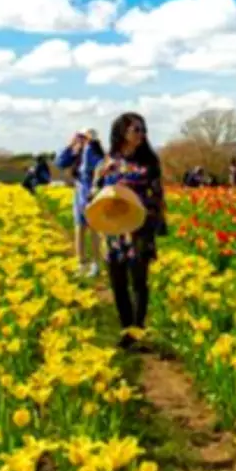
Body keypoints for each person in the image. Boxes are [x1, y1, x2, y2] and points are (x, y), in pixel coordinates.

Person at [93, 112, 167, 349]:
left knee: (138, 280)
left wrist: (151, 217)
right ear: (122, 132)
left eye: (144, 130)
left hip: (139, 227)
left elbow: (157, 195)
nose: (142, 134)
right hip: (113, 228)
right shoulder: (107, 163)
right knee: (117, 280)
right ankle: (126, 329)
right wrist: (99, 183)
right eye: (136, 129)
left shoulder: (149, 163)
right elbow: (93, 194)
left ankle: (138, 328)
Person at [56, 129, 105, 277]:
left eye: (83, 137)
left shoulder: (92, 151)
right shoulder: (80, 151)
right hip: (79, 192)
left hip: (91, 192)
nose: (81, 139)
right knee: (79, 228)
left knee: (93, 228)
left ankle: (95, 264)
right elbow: (59, 163)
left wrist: (85, 146)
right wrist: (71, 146)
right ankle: (82, 263)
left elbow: (89, 170)